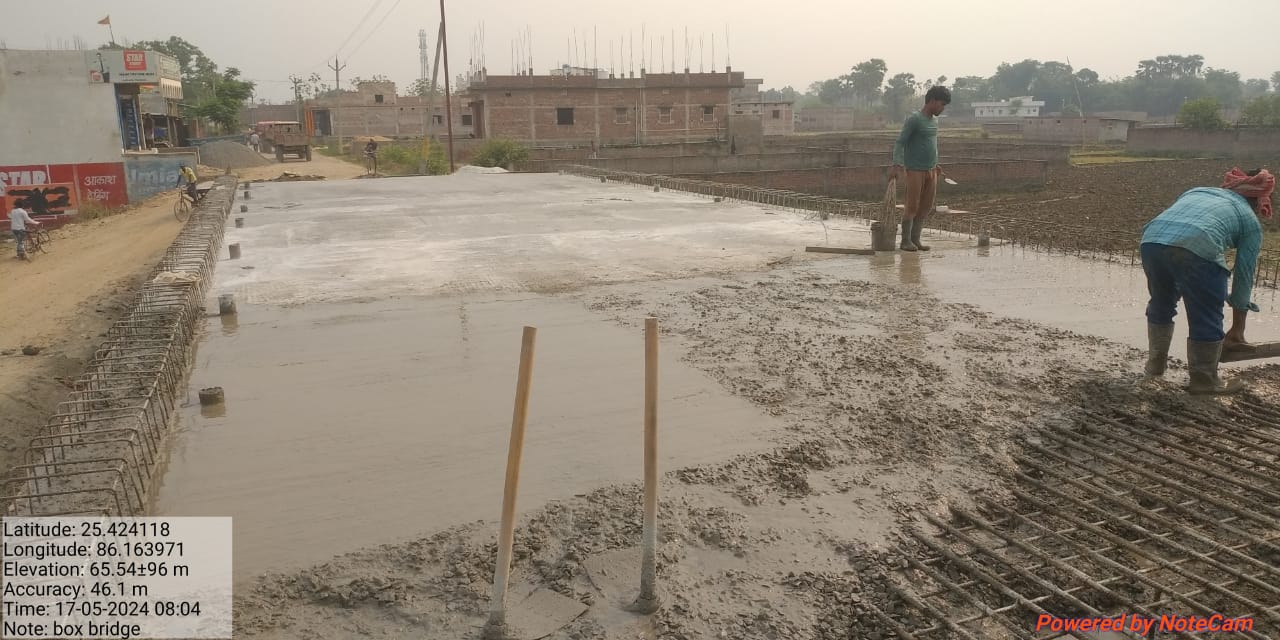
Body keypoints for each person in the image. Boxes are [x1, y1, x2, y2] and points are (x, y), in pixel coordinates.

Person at [1140, 167, 1275, 395]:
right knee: (1206, 311)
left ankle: (1154, 366)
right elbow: (1243, 277)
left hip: (1151, 241)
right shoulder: (1250, 221)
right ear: (1258, 201)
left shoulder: (1198, 191)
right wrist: (1237, 329)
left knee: (1162, 301)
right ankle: (1204, 380)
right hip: (1198, 246)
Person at [891, 86, 951, 252]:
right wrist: (896, 165)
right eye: (942, 104)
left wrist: (935, 164)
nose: (943, 108)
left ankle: (915, 239)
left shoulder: (935, 121)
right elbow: (900, 142)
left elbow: (932, 144)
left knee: (926, 207)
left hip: (931, 170)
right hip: (915, 170)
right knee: (912, 206)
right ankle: (905, 241)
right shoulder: (915, 119)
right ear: (932, 101)